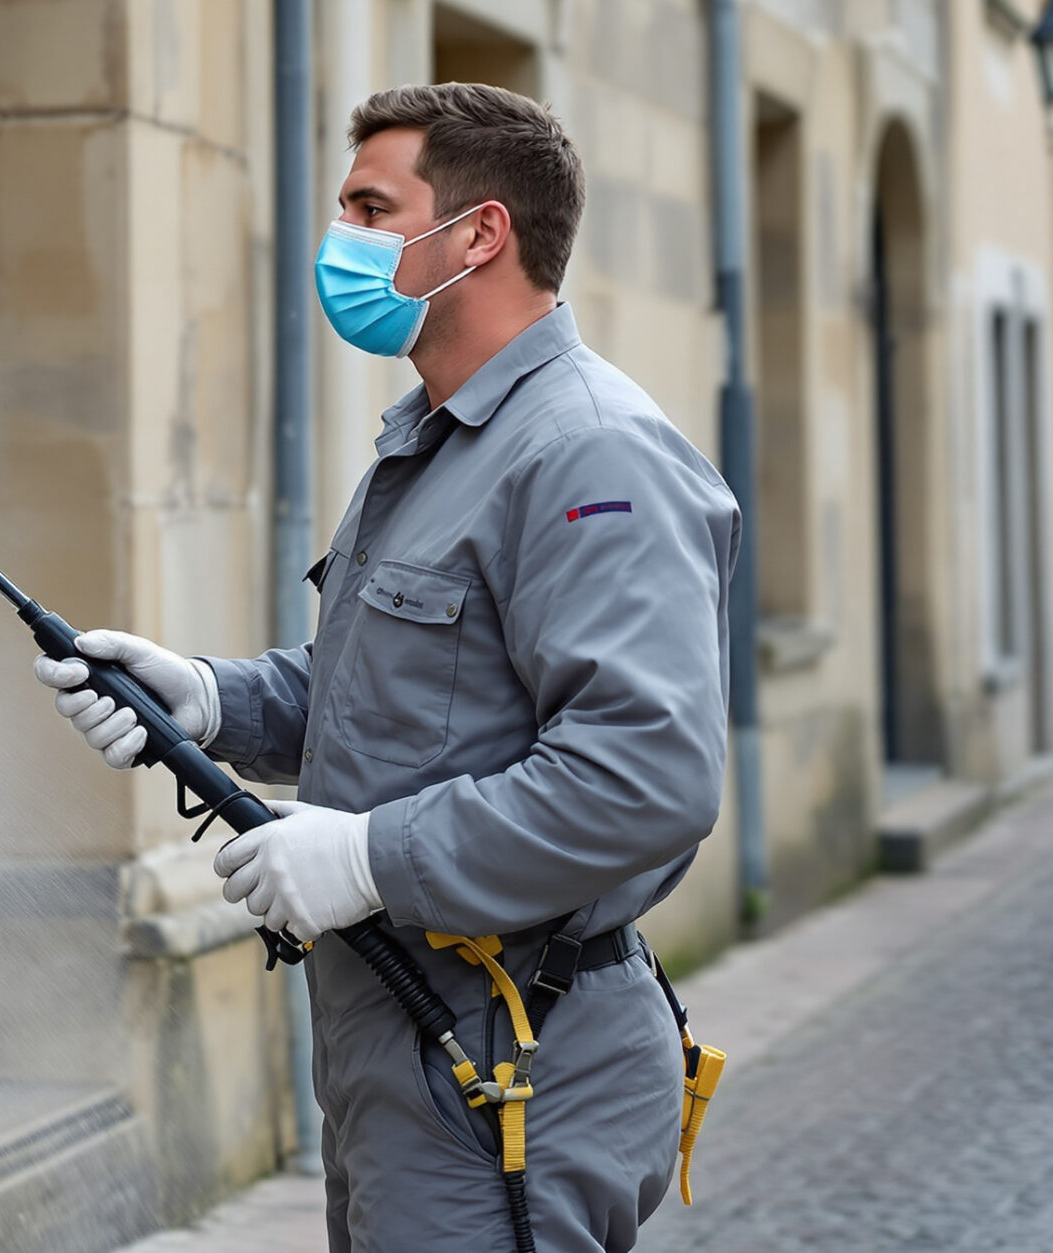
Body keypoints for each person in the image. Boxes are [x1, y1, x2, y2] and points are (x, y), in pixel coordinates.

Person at [37, 83, 738, 1252]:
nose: (341, 240)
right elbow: (394, 694)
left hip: (517, 1050)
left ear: (479, 235)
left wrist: (367, 855)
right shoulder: (429, 442)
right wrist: (206, 699)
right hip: (402, 1055)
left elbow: (646, 775)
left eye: (372, 208)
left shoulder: (589, 450)